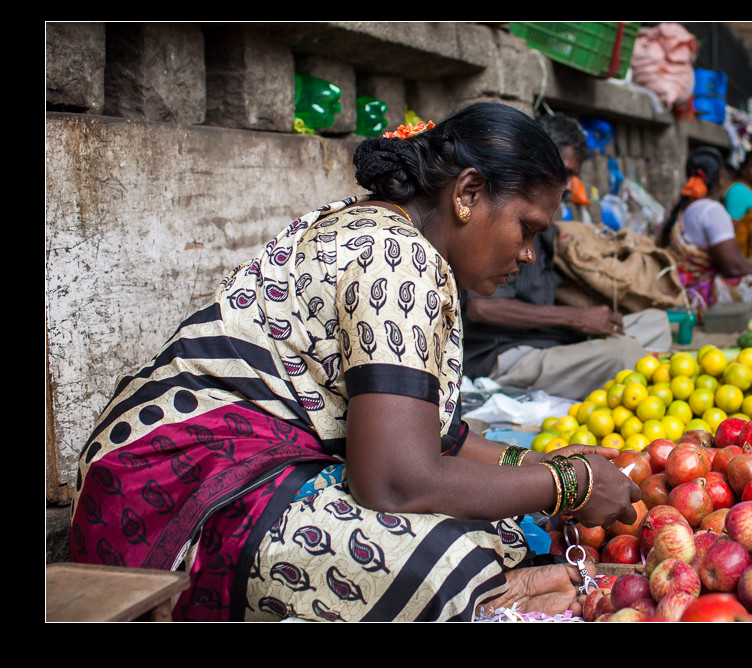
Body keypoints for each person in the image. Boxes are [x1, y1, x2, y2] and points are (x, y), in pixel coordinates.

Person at [68, 102, 642, 622]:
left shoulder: (394, 239)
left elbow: (433, 437)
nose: (527, 254)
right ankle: (497, 595)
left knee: (495, 519)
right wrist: (567, 481)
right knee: (446, 562)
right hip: (171, 493)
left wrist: (534, 462)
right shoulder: (397, 259)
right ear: (467, 193)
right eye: (528, 229)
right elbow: (393, 479)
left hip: (244, 472)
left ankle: (505, 590)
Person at [461, 113, 672, 402]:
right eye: (566, 173)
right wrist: (575, 318)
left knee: (655, 322)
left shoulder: (546, 226)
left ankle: (617, 371)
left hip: (551, 339)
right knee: (625, 353)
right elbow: (481, 310)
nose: (572, 187)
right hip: (505, 353)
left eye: (574, 176)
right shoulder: (504, 218)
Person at [658, 147, 752, 315]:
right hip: (697, 292)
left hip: (680, 286)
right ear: (721, 176)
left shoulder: (681, 206)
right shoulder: (711, 210)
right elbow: (732, 267)